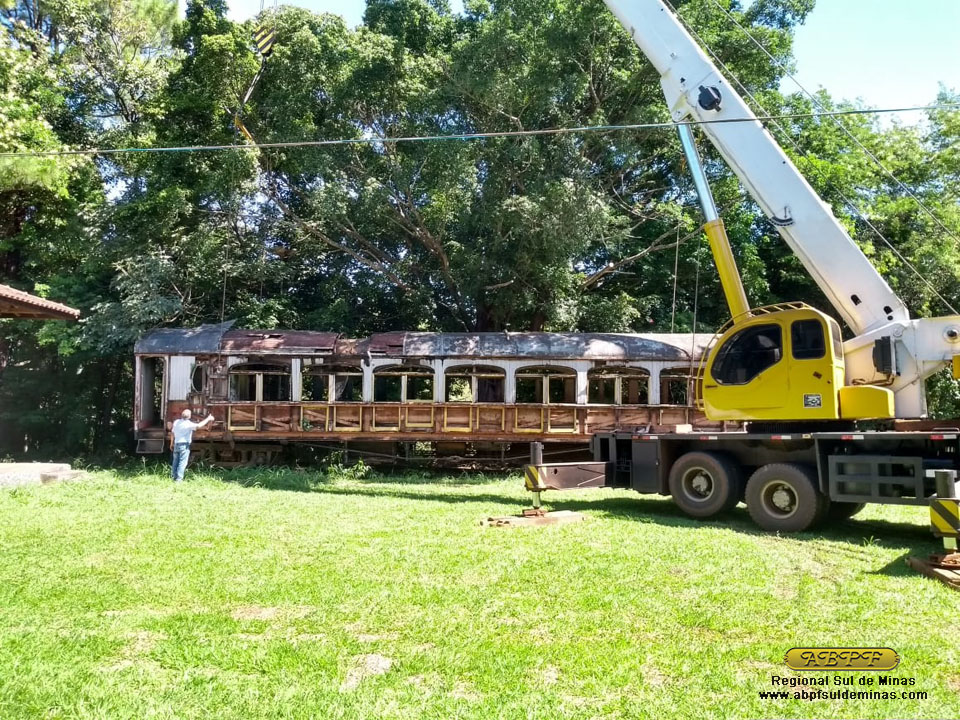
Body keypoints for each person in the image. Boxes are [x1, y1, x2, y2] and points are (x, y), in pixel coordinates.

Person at [170, 409, 215, 482]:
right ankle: (179, 479)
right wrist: (208, 418)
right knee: (182, 462)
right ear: (190, 416)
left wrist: (171, 443)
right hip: (184, 445)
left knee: (175, 461)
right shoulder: (189, 424)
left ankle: (173, 476)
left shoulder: (176, 422)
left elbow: (172, 433)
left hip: (176, 443)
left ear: (182, 415)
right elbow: (199, 425)